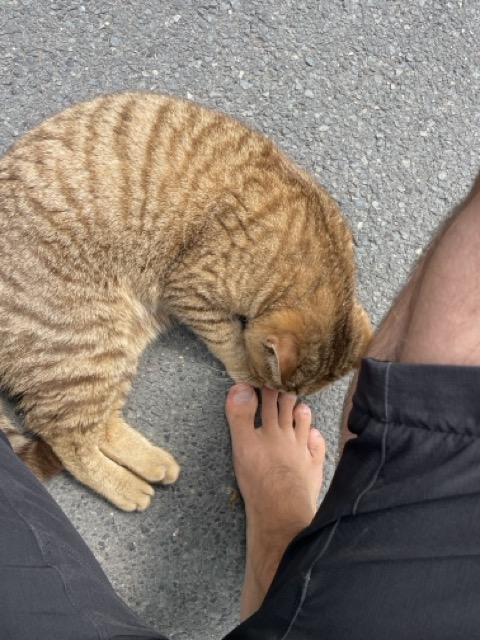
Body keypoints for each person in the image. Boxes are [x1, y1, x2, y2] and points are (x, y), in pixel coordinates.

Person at [1, 172, 480, 639]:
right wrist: (242, 360)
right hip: (55, 247)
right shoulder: (250, 281)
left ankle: (296, 530)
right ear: (276, 343)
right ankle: (80, 444)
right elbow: (185, 286)